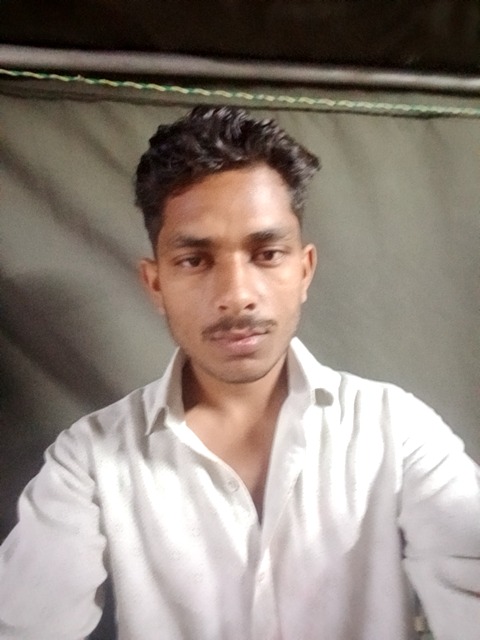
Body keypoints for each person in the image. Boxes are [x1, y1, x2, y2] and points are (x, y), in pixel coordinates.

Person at [0, 106, 479, 640]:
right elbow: (25, 624)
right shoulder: (89, 461)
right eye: (195, 260)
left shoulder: (397, 430)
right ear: (155, 284)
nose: (236, 295)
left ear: (304, 270)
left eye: (267, 253)